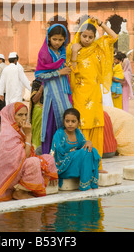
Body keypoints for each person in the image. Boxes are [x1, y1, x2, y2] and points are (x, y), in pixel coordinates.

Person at [66, 16, 118, 169]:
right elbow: (71, 71)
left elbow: (114, 37)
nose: (87, 39)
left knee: (96, 124)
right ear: (79, 34)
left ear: (94, 37)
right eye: (84, 36)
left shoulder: (97, 46)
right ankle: (80, 165)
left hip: (95, 95)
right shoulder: (72, 48)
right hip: (79, 93)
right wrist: (75, 53)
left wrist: (101, 23)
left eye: (91, 37)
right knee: (81, 124)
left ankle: (96, 165)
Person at [0, 102, 58, 202]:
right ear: (11, 116)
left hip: (18, 169)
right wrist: (28, 135)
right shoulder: (7, 135)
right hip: (8, 175)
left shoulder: (18, 130)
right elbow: (25, 156)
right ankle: (20, 192)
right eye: (20, 115)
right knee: (33, 162)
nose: (24, 118)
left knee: (48, 158)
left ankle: (28, 187)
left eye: (25, 115)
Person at [35, 24, 72, 155]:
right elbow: (39, 75)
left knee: (66, 122)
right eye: (54, 39)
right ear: (48, 38)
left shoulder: (63, 53)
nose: (57, 42)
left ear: (65, 40)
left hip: (64, 93)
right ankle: (49, 156)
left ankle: (64, 155)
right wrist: (59, 73)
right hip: (52, 96)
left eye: (60, 40)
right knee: (51, 124)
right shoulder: (44, 53)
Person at [51, 108, 100, 190]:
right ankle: (84, 185)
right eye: (67, 121)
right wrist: (74, 154)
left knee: (92, 150)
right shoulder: (59, 134)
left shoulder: (78, 133)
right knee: (84, 152)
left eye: (73, 121)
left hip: (76, 165)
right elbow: (57, 156)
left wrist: (88, 142)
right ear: (64, 122)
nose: (70, 124)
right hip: (64, 167)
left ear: (78, 122)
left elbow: (83, 148)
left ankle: (89, 182)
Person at [28, 79, 44, 152]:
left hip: (51, 112)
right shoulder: (37, 82)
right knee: (37, 136)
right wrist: (42, 87)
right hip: (38, 114)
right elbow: (34, 99)